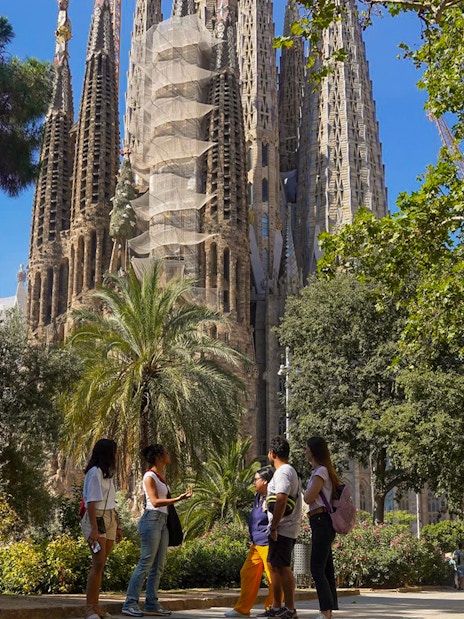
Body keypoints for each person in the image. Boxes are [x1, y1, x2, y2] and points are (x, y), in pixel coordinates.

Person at [122, 444, 192, 617]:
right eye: (167, 452)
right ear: (160, 456)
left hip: (163, 522)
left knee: (158, 565)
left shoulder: (161, 477)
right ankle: (130, 602)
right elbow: (154, 501)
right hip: (152, 520)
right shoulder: (149, 476)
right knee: (145, 562)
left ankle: (151, 603)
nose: (170, 455)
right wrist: (179, 498)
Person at [224, 466, 275, 618]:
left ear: (265, 481)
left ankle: (272, 608)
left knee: (272, 578)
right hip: (256, 543)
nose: (253, 482)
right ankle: (242, 609)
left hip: (267, 543)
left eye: (256, 480)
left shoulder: (271, 497)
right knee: (247, 573)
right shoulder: (258, 497)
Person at [81, 438, 122, 619]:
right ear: (108, 453)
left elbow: (111, 501)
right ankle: (90, 608)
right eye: (115, 451)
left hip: (110, 516)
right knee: (97, 563)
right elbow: (91, 502)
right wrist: (94, 529)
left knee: (101, 563)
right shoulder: (94, 473)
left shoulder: (108, 473)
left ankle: (96, 607)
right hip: (96, 518)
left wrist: (118, 524)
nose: (117, 455)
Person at [304, 436, 342, 619]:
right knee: (326, 568)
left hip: (321, 521)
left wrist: (305, 493)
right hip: (320, 521)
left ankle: (325, 611)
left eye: (306, 449)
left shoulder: (320, 472)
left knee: (317, 568)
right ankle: (329, 610)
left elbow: (309, 498)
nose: (305, 452)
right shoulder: (322, 471)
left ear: (313, 451)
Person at [265, 436, 302, 619]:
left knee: (283, 568)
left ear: (272, 454)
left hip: (283, 528)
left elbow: (281, 500)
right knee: (276, 567)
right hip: (282, 528)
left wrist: (274, 526)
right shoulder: (286, 471)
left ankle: (290, 608)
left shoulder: (283, 472)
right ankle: (277, 607)